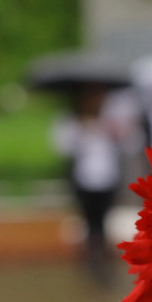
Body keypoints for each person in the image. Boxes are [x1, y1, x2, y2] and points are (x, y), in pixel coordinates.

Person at [52, 84, 127, 285]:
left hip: (107, 178)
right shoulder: (73, 122)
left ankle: (100, 257)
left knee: (103, 220)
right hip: (85, 180)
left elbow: (128, 142)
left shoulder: (109, 121)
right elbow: (62, 147)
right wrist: (80, 131)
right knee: (89, 220)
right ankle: (91, 258)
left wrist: (115, 132)